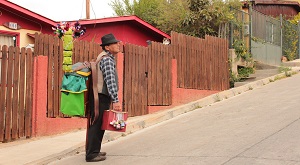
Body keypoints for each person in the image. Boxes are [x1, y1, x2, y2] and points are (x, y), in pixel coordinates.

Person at [85, 33, 122, 162]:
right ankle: (91, 154)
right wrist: (116, 100)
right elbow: (110, 80)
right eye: (115, 43)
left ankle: (95, 151)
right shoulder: (106, 59)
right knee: (97, 124)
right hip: (100, 97)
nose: (118, 44)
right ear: (107, 47)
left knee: (99, 124)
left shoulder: (105, 58)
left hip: (99, 96)